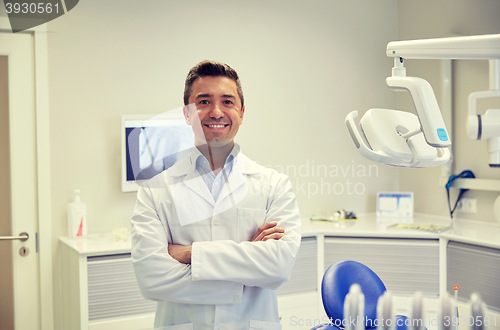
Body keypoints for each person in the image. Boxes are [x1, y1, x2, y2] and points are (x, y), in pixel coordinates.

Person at [131, 60, 301, 330]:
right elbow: (151, 279)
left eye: (228, 101)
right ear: (187, 113)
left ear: (242, 112)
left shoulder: (274, 185)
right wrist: (246, 271)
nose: (216, 111)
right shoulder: (155, 190)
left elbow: (278, 268)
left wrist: (190, 254)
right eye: (203, 101)